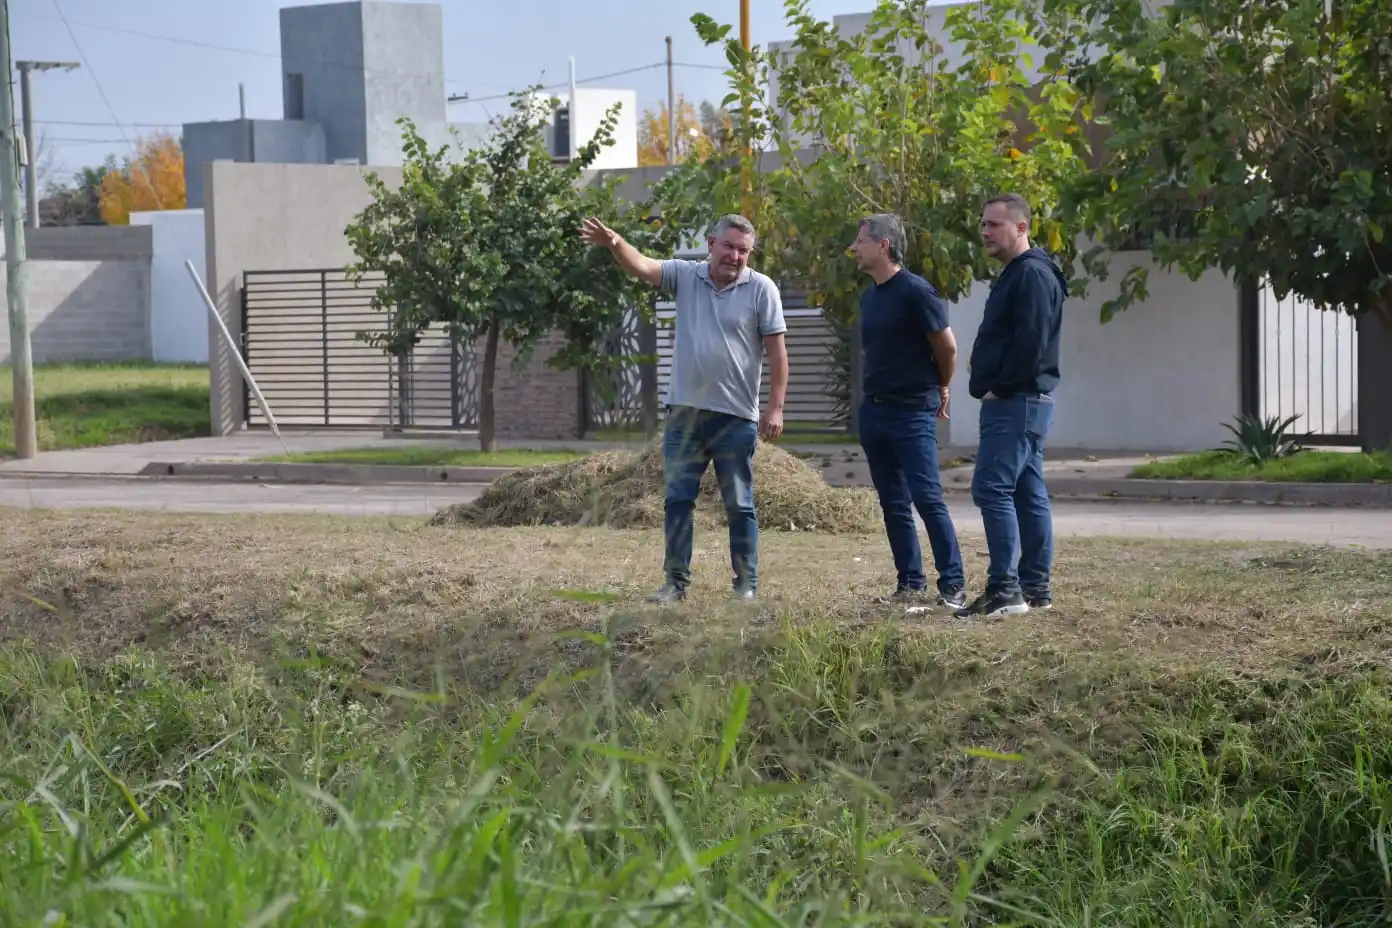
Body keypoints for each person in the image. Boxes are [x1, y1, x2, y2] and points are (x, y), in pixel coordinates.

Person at [580, 213, 789, 603]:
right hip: (685, 416)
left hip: (736, 419)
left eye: (744, 250)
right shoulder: (686, 276)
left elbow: (778, 354)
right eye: (728, 246)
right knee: (678, 501)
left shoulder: (763, 290)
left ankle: (746, 586)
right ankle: (675, 584)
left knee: (740, 505)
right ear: (710, 244)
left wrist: (775, 408)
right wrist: (615, 244)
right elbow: (642, 266)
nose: (735, 256)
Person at [956, 192, 1068, 619]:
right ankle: (1035, 588)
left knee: (992, 488)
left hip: (1017, 401)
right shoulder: (1021, 273)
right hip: (1023, 400)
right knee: (1026, 489)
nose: (985, 231)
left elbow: (1031, 343)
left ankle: (1006, 590)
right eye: (983, 223)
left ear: (1021, 228)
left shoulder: (1032, 275)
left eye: (995, 224)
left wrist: (1000, 387)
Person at [850, 213, 967, 609]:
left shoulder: (917, 291)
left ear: (883, 246)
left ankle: (952, 584)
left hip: (912, 411)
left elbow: (946, 347)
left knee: (926, 497)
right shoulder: (869, 297)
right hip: (876, 412)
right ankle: (910, 583)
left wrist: (943, 386)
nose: (855, 247)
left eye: (861, 240)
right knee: (893, 503)